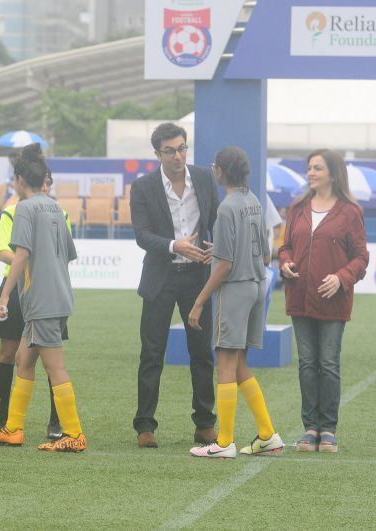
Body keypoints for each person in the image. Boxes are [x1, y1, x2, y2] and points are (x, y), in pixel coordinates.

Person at [0, 143, 86, 453]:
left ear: (18, 180)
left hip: (41, 301)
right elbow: (68, 254)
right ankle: (13, 428)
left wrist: (4, 296)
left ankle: (74, 433)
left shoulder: (24, 208)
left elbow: (21, 255)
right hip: (55, 296)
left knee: (55, 368)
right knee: (23, 361)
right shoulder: (56, 207)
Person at [186, 147, 285, 459]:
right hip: (257, 286)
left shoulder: (227, 207)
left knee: (225, 364)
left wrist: (199, 301)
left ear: (220, 171)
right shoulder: (253, 201)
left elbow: (226, 265)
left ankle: (224, 441)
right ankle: (268, 435)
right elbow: (264, 253)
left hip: (236, 290)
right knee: (240, 363)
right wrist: (223, 252)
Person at [129, 123, 219, 449]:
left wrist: (215, 245)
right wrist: (173, 245)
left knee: (201, 352)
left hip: (197, 277)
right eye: (170, 150)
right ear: (157, 154)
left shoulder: (205, 178)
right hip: (160, 278)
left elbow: (216, 218)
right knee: (152, 352)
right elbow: (142, 235)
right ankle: (145, 425)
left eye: (182, 148)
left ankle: (205, 422)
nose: (178, 155)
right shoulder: (142, 187)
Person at [279, 149, 368, 453]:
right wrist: (286, 263)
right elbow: (286, 247)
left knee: (328, 363)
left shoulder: (349, 211)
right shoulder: (298, 207)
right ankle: (310, 428)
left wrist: (341, 277)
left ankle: (328, 429)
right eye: (309, 168)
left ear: (333, 173)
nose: (311, 173)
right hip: (300, 297)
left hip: (333, 301)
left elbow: (361, 257)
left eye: (317, 168)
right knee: (307, 363)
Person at [0, 169, 66, 439]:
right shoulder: (12, 211)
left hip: (44, 290)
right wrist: (33, 261)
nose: (45, 187)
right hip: (19, 286)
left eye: (49, 183)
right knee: (12, 355)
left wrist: (33, 261)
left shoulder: (58, 212)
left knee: (49, 359)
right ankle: (6, 421)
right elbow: (5, 253)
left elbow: (59, 254)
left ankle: (57, 424)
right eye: (42, 182)